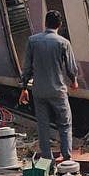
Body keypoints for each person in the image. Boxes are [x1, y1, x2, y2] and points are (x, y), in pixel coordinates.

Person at [19, 10, 80, 162]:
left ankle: (47, 159)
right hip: (58, 90)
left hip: (39, 91)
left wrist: (24, 87)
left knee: (43, 126)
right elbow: (71, 68)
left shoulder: (33, 41)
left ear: (45, 23)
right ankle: (66, 158)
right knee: (65, 124)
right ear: (60, 25)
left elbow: (27, 68)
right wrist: (74, 80)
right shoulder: (63, 43)